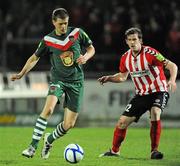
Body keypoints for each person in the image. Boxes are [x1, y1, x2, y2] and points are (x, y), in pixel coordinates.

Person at [11, 8, 95, 159]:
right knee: (48, 110)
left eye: (66, 23)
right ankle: (32, 147)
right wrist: (22, 73)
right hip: (58, 80)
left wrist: (86, 57)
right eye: (61, 23)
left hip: (76, 82)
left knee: (68, 124)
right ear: (54, 22)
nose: (64, 26)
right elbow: (34, 58)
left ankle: (49, 140)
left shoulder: (77, 33)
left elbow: (91, 49)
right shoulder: (48, 40)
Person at [98, 27, 177, 159]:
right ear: (126, 42)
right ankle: (114, 151)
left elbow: (172, 66)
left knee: (155, 112)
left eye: (134, 39)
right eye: (129, 40)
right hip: (141, 95)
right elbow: (122, 77)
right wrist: (110, 78)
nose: (132, 42)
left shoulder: (151, 53)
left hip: (159, 91)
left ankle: (154, 151)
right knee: (122, 122)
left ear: (140, 40)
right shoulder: (125, 58)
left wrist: (172, 80)